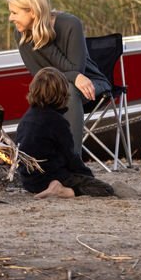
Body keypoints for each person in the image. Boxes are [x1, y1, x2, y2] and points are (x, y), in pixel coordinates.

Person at [6, 0, 111, 153]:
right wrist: (40, 35)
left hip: (90, 83)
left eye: (14, 13)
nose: (10, 18)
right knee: (42, 102)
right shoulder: (22, 33)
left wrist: (42, 39)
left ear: (32, 11)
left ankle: (73, 163)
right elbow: (40, 75)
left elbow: (77, 71)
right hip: (52, 87)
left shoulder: (70, 24)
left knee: (68, 89)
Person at [14, 67, 115, 198]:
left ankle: (55, 187)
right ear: (62, 93)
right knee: (106, 189)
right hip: (48, 178)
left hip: (28, 181)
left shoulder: (27, 117)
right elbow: (71, 157)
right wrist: (87, 177)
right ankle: (62, 191)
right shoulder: (57, 121)